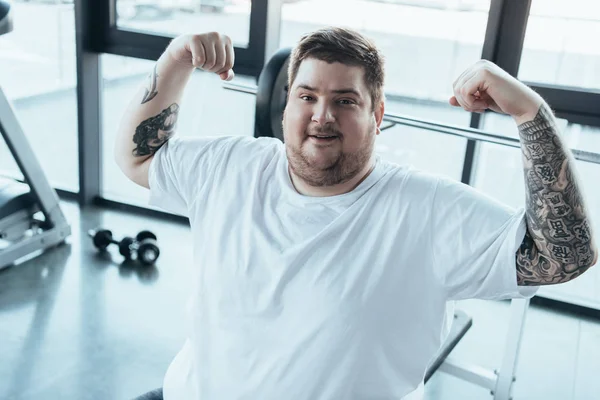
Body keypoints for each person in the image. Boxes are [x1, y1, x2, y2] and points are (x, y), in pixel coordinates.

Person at [115, 27, 598, 400]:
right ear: (286, 107)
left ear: (378, 115)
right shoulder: (231, 167)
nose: (322, 115)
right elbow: (138, 156)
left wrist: (530, 113)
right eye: (307, 97)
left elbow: (565, 255)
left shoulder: (426, 209)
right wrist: (176, 57)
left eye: (345, 101)